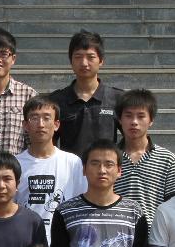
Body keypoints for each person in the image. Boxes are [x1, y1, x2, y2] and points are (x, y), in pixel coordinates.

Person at [51, 139, 150, 247]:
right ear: (84, 169)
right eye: (95, 163)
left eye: (109, 164)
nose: (102, 170)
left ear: (119, 171)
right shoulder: (65, 211)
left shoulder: (134, 212)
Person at [15, 94, 87, 241]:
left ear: (56, 124)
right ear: (25, 125)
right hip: (25, 240)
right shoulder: (15, 164)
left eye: (46, 118)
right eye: (34, 118)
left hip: (64, 241)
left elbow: (83, 202)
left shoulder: (73, 163)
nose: (41, 124)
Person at [113, 89, 175, 230]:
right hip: (116, 234)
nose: (134, 122)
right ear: (120, 119)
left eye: (141, 116)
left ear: (151, 120)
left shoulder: (166, 158)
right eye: (128, 116)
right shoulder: (109, 158)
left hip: (154, 237)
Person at [49, 29, 123, 158]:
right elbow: (50, 143)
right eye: (78, 57)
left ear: (101, 61)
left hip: (104, 168)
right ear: (71, 61)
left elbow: (131, 137)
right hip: (70, 169)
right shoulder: (57, 100)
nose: (84, 63)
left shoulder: (117, 98)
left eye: (90, 57)